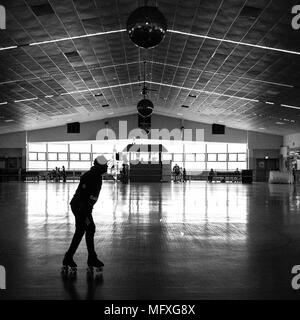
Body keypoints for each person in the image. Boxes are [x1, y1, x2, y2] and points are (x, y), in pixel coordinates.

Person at [62, 155, 108, 274]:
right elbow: (83, 195)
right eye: (105, 165)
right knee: (90, 228)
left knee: (82, 230)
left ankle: (69, 257)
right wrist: (85, 212)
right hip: (80, 207)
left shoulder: (96, 175)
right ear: (99, 166)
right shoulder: (91, 176)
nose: (107, 166)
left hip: (83, 207)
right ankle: (91, 258)